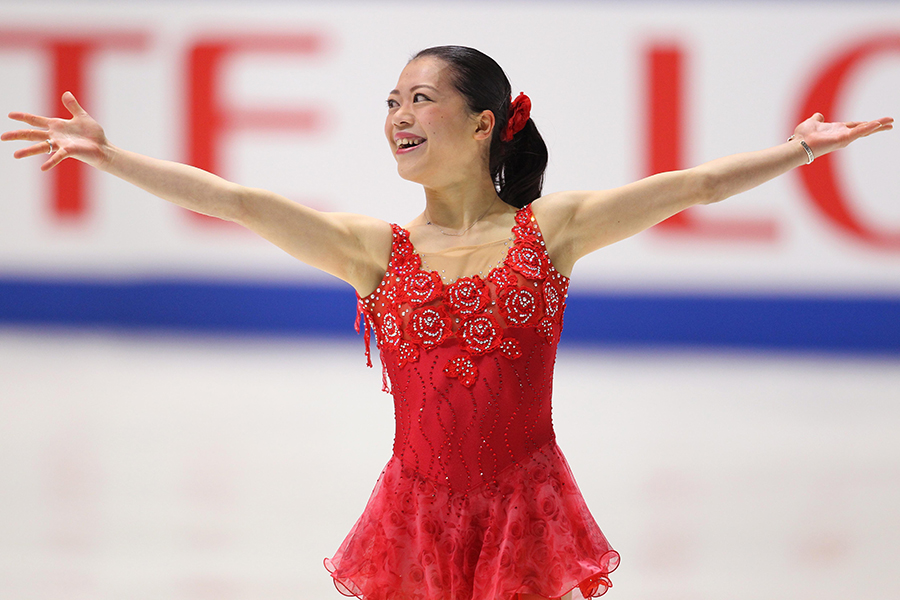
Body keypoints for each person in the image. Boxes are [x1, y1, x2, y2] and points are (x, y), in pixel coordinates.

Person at [2, 45, 892, 600]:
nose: (398, 116)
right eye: (390, 102)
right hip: (415, 514)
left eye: (420, 100)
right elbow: (239, 202)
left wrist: (801, 148)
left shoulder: (554, 231)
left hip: (525, 512)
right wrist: (112, 159)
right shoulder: (373, 252)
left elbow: (694, 186)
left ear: (483, 126)